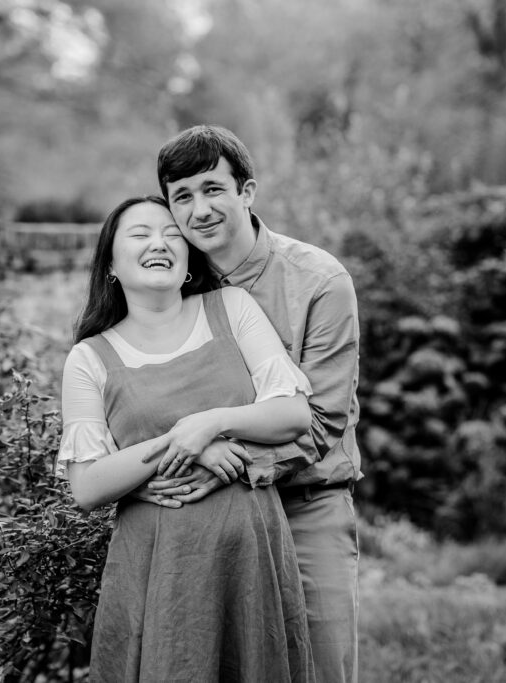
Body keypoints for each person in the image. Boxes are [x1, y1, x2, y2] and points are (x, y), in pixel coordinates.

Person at [56, 195, 315, 682]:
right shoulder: (89, 359)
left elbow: (292, 413)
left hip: (250, 556)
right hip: (158, 567)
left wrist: (210, 423)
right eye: (140, 235)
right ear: (110, 263)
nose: (159, 243)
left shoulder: (232, 308)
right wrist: (183, 440)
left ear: (190, 258)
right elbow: (87, 486)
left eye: (172, 234)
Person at [148, 125, 362, 682]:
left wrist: (229, 465)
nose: (200, 210)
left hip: (305, 506)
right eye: (183, 196)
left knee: (320, 665)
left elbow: (322, 421)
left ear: (247, 192)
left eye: (214, 189)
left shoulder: (319, 282)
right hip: (201, 514)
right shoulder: (169, 285)